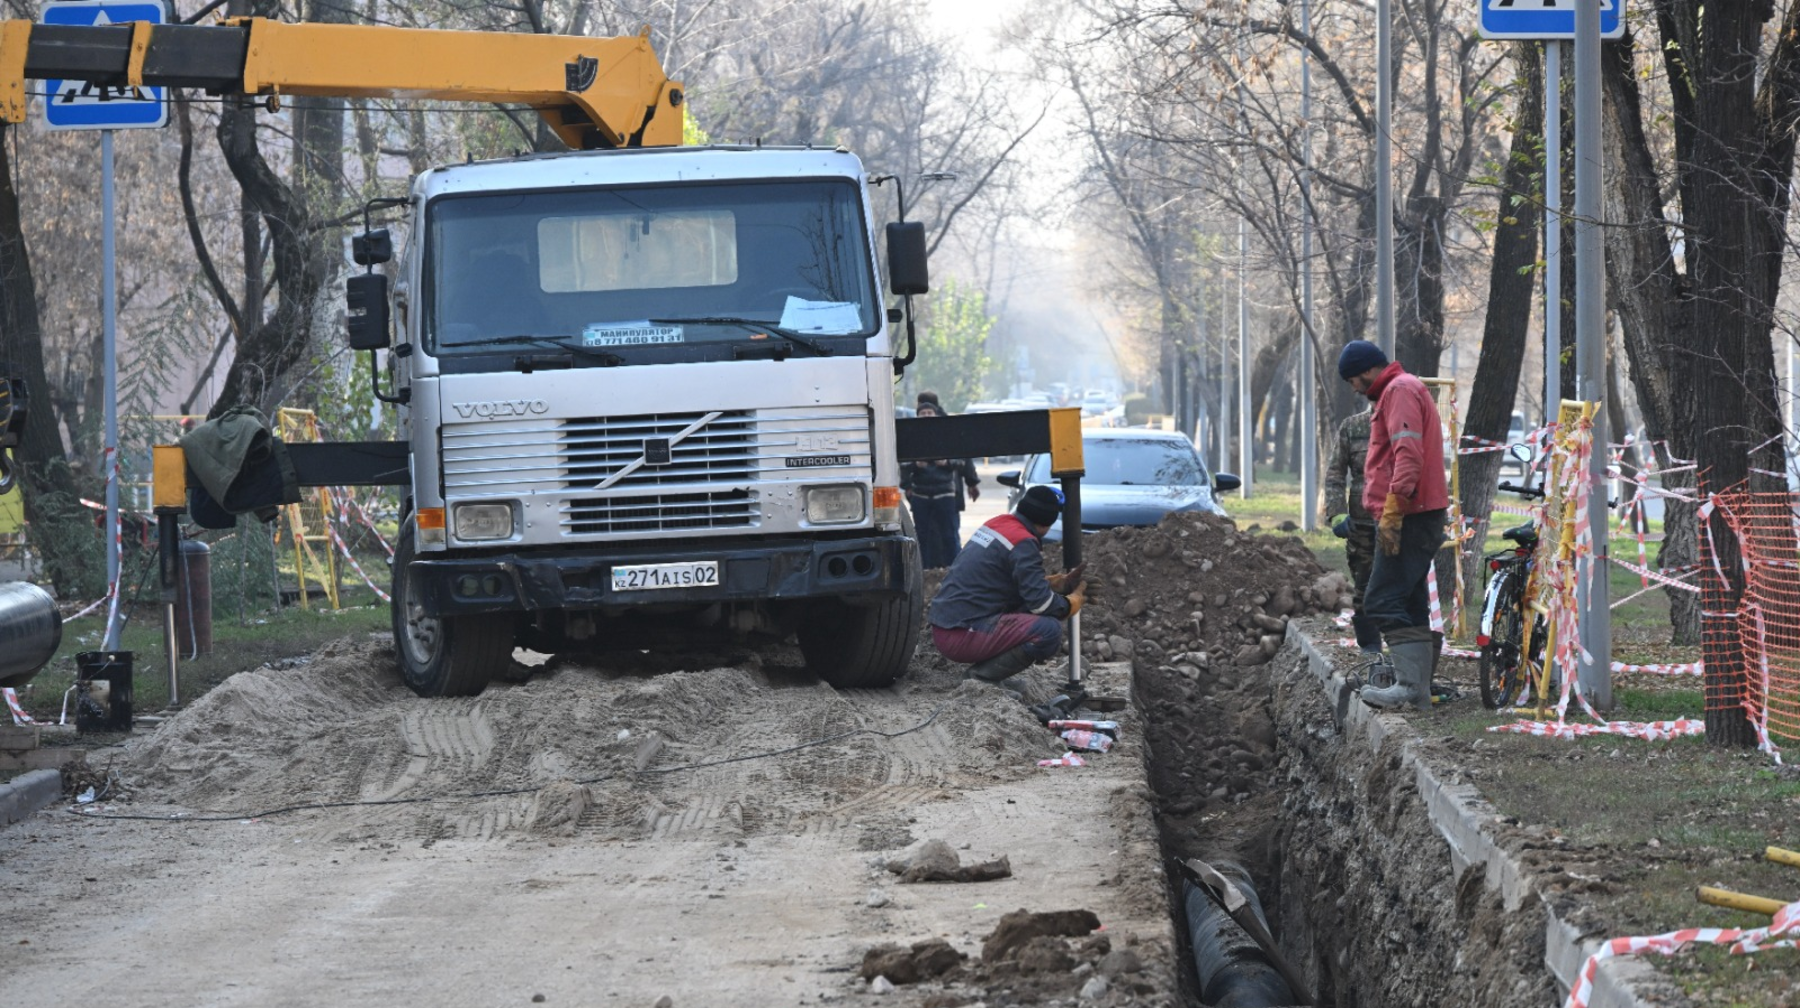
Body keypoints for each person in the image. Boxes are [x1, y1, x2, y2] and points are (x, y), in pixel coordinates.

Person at [1337, 340, 1448, 710]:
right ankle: (1420, 691)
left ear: (1367, 371)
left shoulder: (1399, 391)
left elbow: (1408, 455)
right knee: (1410, 599)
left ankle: (1410, 687)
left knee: (1381, 599)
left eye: (1353, 379)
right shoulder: (1399, 391)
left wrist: (1393, 512)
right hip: (1416, 513)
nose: (1354, 387)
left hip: (1411, 515)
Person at [928, 485, 1087, 690]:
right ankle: (981, 679)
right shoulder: (1023, 542)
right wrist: (1069, 604)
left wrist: (1053, 583)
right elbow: (1041, 605)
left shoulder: (999, 524)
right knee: (1048, 631)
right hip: (960, 634)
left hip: (949, 624)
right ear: (1047, 524)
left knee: (1026, 610)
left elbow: (997, 579)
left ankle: (990, 675)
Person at [1322, 405, 1382, 657]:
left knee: (1404, 588)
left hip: (1402, 522)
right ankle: (1370, 647)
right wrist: (1336, 512)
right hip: (1363, 524)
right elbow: (1335, 472)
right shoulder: (1353, 426)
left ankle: (1406, 651)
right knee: (1365, 585)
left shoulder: (1407, 423)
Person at [901, 401, 980, 569]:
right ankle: (923, 570)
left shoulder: (947, 436)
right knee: (922, 536)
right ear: (917, 416)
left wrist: (946, 462)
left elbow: (962, 461)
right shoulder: (911, 437)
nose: (927, 416)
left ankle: (954, 569)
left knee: (949, 535)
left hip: (945, 494)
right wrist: (916, 465)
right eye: (923, 413)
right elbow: (902, 465)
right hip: (920, 495)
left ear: (936, 415)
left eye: (930, 413)